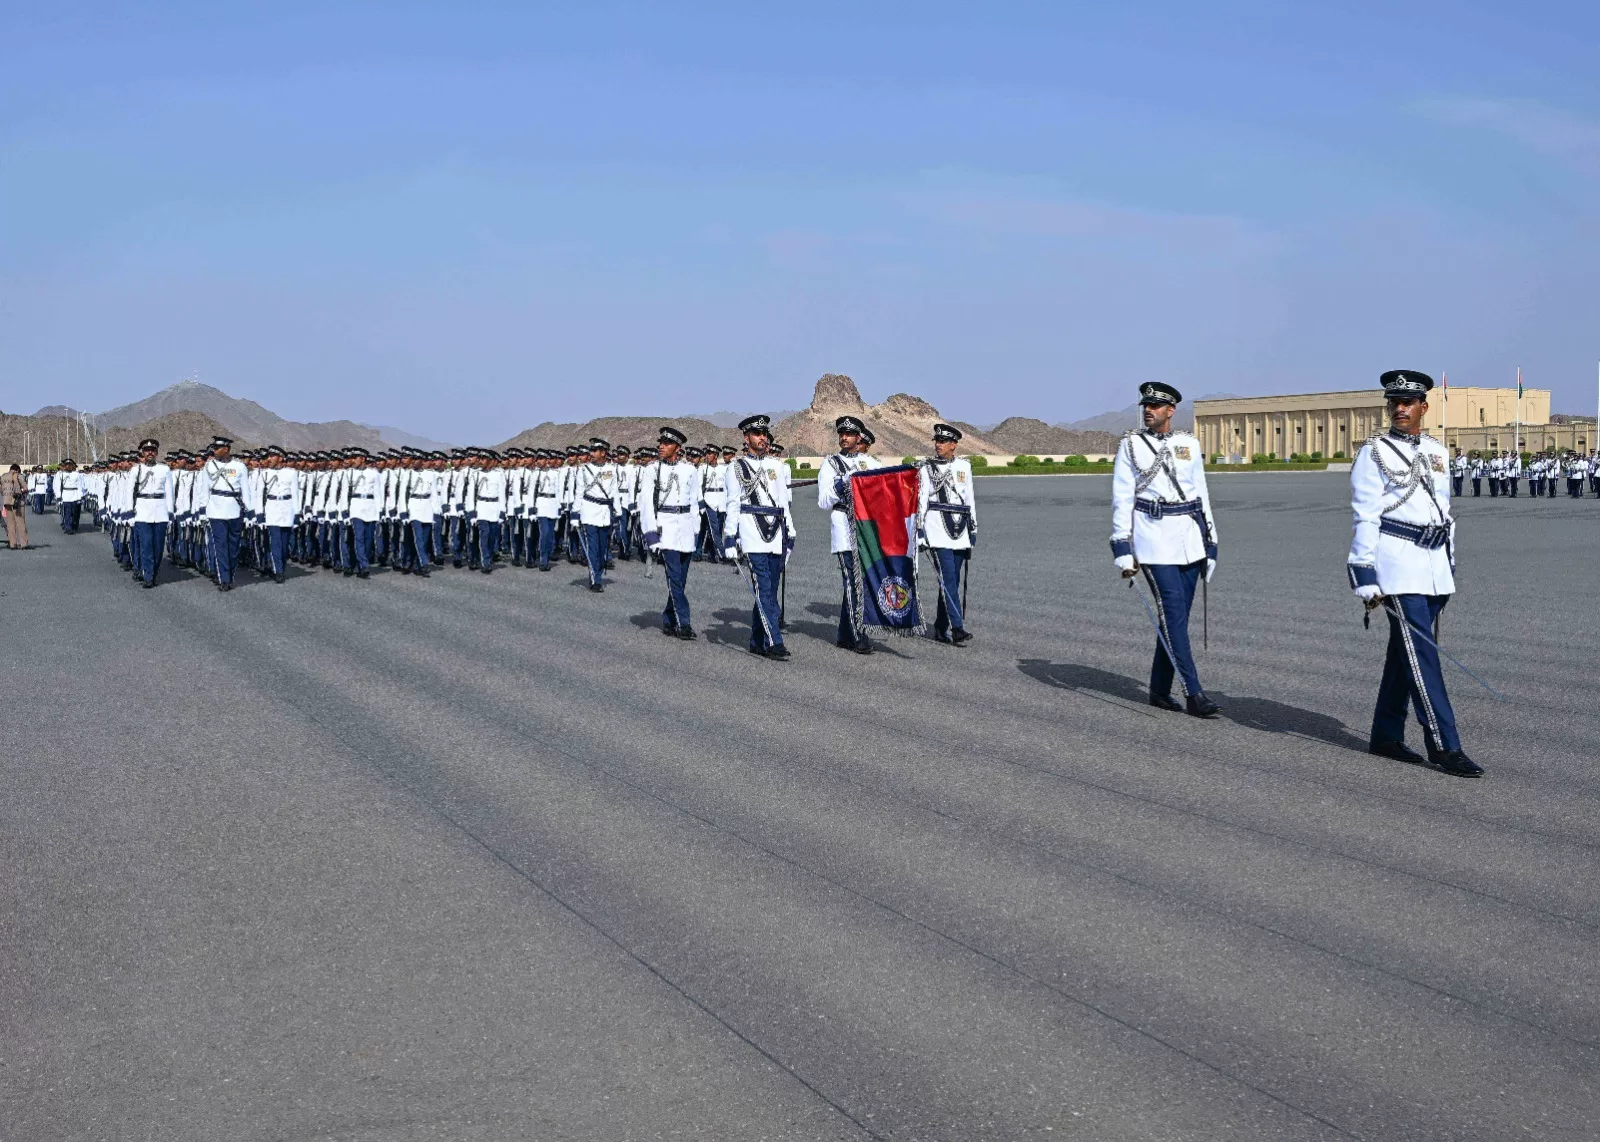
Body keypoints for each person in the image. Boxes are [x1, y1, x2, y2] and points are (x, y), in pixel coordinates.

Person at [1348, 370, 1481, 777]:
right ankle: (1445, 745)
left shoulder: (1437, 451)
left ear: (1424, 406)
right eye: (1394, 402)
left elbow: (1445, 512)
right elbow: (1366, 515)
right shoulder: (1374, 452)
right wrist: (1364, 572)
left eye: (1408, 402)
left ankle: (1386, 735)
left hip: (1434, 565)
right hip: (1398, 564)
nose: (1400, 409)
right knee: (1422, 654)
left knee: (1403, 652)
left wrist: (1449, 563)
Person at [1110, 382, 1221, 717]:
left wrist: (1211, 543)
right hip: (1153, 541)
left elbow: (1201, 495)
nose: (1148, 410)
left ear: (1170, 411)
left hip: (1189, 541)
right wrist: (1122, 547)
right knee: (1172, 615)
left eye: (1156, 406)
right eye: (1145, 405)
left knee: (1175, 621)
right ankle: (1194, 693)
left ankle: (1159, 689)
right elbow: (1122, 498)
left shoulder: (1188, 444)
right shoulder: (1131, 445)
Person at [722, 414, 792, 659]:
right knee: (764, 587)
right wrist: (730, 537)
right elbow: (732, 503)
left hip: (775, 533)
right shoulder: (736, 468)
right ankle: (774, 641)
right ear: (746, 438)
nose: (762, 438)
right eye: (757, 434)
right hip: (752, 533)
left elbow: (783, 503)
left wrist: (791, 532)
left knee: (769, 590)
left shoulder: (777, 466)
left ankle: (756, 640)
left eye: (764, 434)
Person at [817, 415, 882, 653]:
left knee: (861, 581)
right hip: (843, 524)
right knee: (853, 582)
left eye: (849, 434)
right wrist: (842, 483)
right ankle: (858, 635)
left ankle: (844, 634)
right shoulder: (831, 464)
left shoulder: (871, 463)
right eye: (841, 434)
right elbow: (823, 501)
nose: (844, 438)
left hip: (866, 528)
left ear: (858, 437)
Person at [638, 427, 703, 639]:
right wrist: (650, 534)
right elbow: (646, 504)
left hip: (686, 528)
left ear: (677, 447)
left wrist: (696, 530)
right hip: (665, 529)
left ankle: (668, 618)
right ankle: (684, 624)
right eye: (661, 443)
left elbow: (694, 502)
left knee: (680, 580)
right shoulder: (652, 470)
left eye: (666, 444)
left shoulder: (689, 470)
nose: (661, 446)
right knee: (674, 578)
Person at [917, 423, 976, 645]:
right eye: (937, 441)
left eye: (942, 441)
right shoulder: (927, 468)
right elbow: (921, 500)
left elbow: (969, 499)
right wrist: (920, 531)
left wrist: (974, 528)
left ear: (954, 445)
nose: (938, 445)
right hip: (936, 530)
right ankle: (957, 627)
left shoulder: (964, 467)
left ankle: (941, 628)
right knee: (948, 578)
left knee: (952, 581)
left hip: (960, 530)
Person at [197, 436, 248, 590]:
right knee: (220, 546)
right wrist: (202, 511)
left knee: (233, 547)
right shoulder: (209, 466)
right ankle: (224, 579)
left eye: (217, 448)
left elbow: (246, 491)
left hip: (235, 510)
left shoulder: (239, 466)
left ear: (226, 449)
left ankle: (230, 575)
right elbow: (204, 490)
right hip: (215, 510)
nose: (214, 451)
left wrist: (250, 512)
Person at [571, 438, 621, 591]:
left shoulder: (611, 469)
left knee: (602, 547)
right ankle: (595, 580)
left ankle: (598, 572)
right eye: (590, 451)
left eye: (594, 451)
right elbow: (579, 493)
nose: (591, 453)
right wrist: (575, 514)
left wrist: (618, 510)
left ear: (603, 453)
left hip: (605, 512)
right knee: (592, 547)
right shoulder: (584, 470)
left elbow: (614, 491)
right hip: (589, 511)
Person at [128, 438, 174, 588]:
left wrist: (170, 513)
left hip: (160, 512)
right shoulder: (136, 470)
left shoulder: (164, 469)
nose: (150, 453)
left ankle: (153, 572)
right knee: (146, 545)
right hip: (142, 512)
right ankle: (148, 576)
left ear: (157, 452)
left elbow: (169, 492)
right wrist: (129, 513)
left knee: (158, 547)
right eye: (147, 450)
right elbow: (129, 492)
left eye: (153, 450)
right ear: (142, 452)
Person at [53, 459, 86, 533]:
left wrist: (80, 496)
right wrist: (58, 496)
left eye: (70, 465)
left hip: (75, 495)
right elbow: (58, 486)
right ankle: (68, 527)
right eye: (67, 465)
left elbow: (79, 486)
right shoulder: (61, 475)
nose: (68, 466)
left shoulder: (76, 474)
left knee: (74, 512)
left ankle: (73, 525)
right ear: (64, 466)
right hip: (66, 495)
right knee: (67, 512)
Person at [1, 464, 28, 549]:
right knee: (20, 523)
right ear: (17, 470)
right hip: (17, 502)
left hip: (7, 502)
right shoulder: (18, 475)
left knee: (10, 524)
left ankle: (13, 544)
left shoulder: (3, 477)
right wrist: (21, 491)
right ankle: (24, 543)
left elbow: (1, 490)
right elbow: (25, 488)